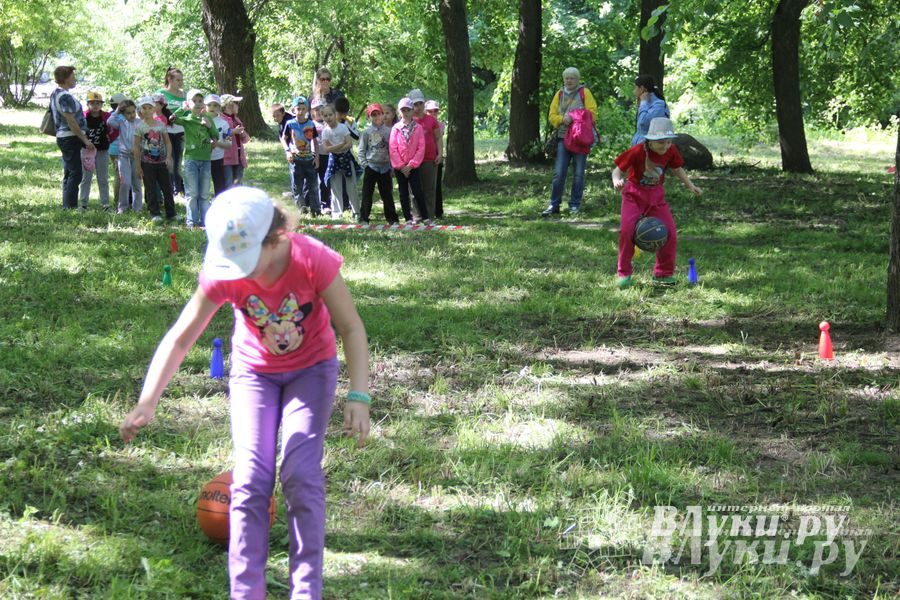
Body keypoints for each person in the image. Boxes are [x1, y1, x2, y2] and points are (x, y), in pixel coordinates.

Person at [119, 186, 371, 600]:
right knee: (252, 477)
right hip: (254, 374)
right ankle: (245, 591)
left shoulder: (311, 259)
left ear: (275, 238)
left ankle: (307, 589)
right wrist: (148, 400)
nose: (238, 272)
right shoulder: (224, 274)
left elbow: (351, 328)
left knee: (300, 473)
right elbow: (181, 338)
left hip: (311, 371)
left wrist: (358, 396)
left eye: (245, 261)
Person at [611, 117, 702, 289]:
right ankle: (624, 274)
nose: (666, 146)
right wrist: (617, 181)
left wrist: (691, 186)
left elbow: (677, 169)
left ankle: (663, 274)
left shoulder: (671, 150)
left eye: (668, 142)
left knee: (670, 232)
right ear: (650, 141)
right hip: (633, 195)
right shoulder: (637, 151)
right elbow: (617, 170)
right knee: (627, 231)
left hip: (656, 197)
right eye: (661, 143)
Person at [542, 67, 597, 217]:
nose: (569, 80)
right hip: (563, 137)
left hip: (580, 139)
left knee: (579, 174)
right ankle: (554, 204)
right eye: (567, 78)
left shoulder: (585, 93)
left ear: (578, 79)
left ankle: (574, 205)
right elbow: (552, 115)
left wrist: (575, 117)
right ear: (563, 79)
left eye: (572, 78)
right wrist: (561, 119)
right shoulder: (559, 94)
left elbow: (593, 113)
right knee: (559, 173)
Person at [171, 89, 218, 227]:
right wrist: (182, 108)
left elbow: (215, 134)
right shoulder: (187, 120)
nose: (198, 104)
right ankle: (192, 222)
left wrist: (209, 127)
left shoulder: (208, 118)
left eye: (200, 101)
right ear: (189, 103)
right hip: (191, 160)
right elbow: (172, 118)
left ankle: (205, 222)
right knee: (192, 193)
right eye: (194, 101)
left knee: (204, 194)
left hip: (205, 160)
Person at [50, 66, 94, 210]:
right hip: (70, 137)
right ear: (66, 78)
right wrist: (84, 139)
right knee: (76, 172)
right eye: (73, 76)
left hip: (66, 137)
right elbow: (71, 121)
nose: (75, 79)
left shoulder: (56, 94)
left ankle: (67, 205)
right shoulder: (64, 96)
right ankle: (70, 206)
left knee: (69, 171)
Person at [133, 96, 175, 223]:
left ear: (154, 109)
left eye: (149, 107)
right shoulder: (139, 127)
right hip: (147, 163)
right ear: (140, 110)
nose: (146, 110)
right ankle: (154, 213)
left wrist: (168, 157)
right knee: (150, 188)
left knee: (167, 188)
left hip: (162, 162)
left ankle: (171, 213)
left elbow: (168, 143)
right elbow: (136, 147)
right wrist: (138, 166)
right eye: (144, 108)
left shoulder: (161, 125)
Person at [389, 97, 429, 224]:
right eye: (403, 110)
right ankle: (407, 218)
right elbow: (393, 148)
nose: (405, 113)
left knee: (417, 192)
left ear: (412, 111)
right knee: (403, 193)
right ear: (399, 112)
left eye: (408, 110)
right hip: (400, 167)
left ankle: (426, 217)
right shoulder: (396, 128)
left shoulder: (418, 128)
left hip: (413, 167)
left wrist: (411, 165)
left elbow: (421, 147)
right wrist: (401, 166)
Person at [358, 103, 399, 226]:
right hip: (371, 166)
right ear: (369, 117)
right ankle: (364, 217)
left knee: (387, 194)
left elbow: (393, 150)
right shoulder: (366, 133)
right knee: (367, 194)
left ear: (382, 115)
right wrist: (365, 165)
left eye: (378, 114)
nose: (376, 117)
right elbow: (361, 150)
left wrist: (392, 166)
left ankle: (392, 219)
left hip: (385, 167)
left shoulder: (389, 131)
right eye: (373, 115)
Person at [320, 104, 360, 220]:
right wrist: (341, 145)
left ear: (335, 114)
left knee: (351, 186)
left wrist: (337, 147)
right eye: (325, 115)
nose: (328, 117)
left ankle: (356, 212)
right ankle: (337, 213)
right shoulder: (325, 131)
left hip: (347, 158)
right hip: (334, 160)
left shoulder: (343, 127)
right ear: (323, 117)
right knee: (335, 187)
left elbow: (349, 144)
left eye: (330, 114)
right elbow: (326, 149)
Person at [285, 96, 321, 216]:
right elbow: (283, 139)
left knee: (314, 186)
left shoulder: (311, 124)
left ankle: (316, 209)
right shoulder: (290, 124)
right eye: (297, 108)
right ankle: (301, 208)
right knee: (297, 187)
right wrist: (288, 151)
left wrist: (316, 157)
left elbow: (315, 141)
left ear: (307, 110)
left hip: (309, 160)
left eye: (303, 108)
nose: (300, 111)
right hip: (296, 161)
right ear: (293, 110)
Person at [409, 89, 442, 221]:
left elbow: (438, 138)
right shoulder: (408, 121)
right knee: (414, 190)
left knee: (429, 189)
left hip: (429, 159)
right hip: (413, 160)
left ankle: (429, 215)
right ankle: (417, 216)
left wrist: (440, 153)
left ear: (424, 104)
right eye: (415, 105)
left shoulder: (431, 120)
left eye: (420, 104)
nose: (418, 107)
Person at [79, 91, 112, 211]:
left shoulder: (106, 116)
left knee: (102, 178)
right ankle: (83, 203)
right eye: (92, 103)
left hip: (102, 150)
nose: (96, 106)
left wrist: (110, 138)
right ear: (88, 104)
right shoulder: (83, 116)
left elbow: (115, 128)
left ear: (102, 104)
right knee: (86, 177)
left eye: (98, 103)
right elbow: (78, 130)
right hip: (87, 150)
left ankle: (105, 204)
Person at [107, 99, 143, 214]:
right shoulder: (121, 123)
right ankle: (122, 207)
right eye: (128, 113)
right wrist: (117, 110)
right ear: (123, 114)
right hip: (123, 156)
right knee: (125, 182)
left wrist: (138, 149)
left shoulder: (140, 123)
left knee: (136, 183)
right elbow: (109, 121)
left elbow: (144, 138)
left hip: (136, 157)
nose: (132, 115)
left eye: (133, 112)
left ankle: (137, 208)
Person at [158, 67, 187, 197]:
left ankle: (178, 187)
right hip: (166, 131)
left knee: (178, 160)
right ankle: (168, 188)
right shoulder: (161, 94)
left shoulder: (184, 95)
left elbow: (187, 113)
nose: (180, 83)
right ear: (169, 79)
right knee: (168, 159)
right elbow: (156, 111)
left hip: (180, 132)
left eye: (181, 80)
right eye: (177, 80)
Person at [206, 94, 234, 197]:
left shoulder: (224, 124)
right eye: (209, 105)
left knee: (219, 185)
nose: (212, 107)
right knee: (203, 185)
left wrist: (216, 143)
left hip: (218, 159)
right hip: (202, 158)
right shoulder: (200, 122)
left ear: (219, 107)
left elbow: (229, 144)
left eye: (215, 105)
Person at [631, 74, 669, 146]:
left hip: (650, 148)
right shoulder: (647, 103)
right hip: (640, 147)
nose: (634, 91)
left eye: (635, 88)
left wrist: (643, 103)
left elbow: (643, 123)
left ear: (642, 88)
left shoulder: (659, 104)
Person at [221, 94, 250, 187]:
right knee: (228, 183)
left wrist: (242, 133)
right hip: (227, 158)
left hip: (239, 156)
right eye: (236, 103)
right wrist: (233, 132)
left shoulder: (236, 119)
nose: (238, 105)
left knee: (238, 183)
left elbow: (245, 139)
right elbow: (221, 136)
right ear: (229, 104)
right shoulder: (221, 119)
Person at [310, 98, 331, 215]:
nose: (318, 111)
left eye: (321, 109)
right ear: (312, 111)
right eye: (316, 109)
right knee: (312, 181)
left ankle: (326, 204)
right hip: (313, 155)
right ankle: (311, 204)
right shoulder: (310, 124)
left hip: (326, 155)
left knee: (325, 181)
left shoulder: (329, 123)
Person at [272, 102, 296, 203]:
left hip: (295, 149)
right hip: (290, 148)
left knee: (294, 171)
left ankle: (297, 193)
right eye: (274, 116)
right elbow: (281, 137)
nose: (276, 118)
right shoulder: (282, 122)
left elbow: (287, 138)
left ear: (283, 113)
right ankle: (295, 192)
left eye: (277, 115)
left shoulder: (289, 121)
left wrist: (288, 151)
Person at [425, 100, 444, 219]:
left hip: (436, 156)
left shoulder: (440, 124)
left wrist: (440, 155)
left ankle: (438, 211)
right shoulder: (420, 123)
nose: (433, 113)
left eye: (435, 111)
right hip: (423, 157)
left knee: (436, 185)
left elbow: (438, 139)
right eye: (430, 111)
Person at [108, 93, 127, 209]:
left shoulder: (111, 115)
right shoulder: (121, 117)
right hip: (119, 150)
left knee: (119, 175)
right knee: (120, 176)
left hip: (112, 150)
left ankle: (122, 199)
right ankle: (118, 201)